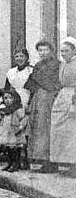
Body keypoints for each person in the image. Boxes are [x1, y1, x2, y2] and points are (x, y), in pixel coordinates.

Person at [25, 39, 60, 173]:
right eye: (40, 50)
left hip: (50, 99)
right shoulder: (38, 66)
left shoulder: (57, 65)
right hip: (38, 99)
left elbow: (57, 82)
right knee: (38, 129)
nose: (43, 52)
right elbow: (31, 82)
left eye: (45, 50)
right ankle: (41, 160)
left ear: (51, 51)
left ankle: (51, 161)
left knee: (48, 129)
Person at [50, 36, 76, 175]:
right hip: (62, 96)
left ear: (74, 51)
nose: (63, 53)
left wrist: (74, 105)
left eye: (66, 51)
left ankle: (72, 165)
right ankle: (63, 164)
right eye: (62, 51)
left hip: (72, 97)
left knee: (71, 133)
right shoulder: (63, 64)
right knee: (60, 132)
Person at [0, 88, 28, 173]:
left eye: (10, 98)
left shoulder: (18, 109)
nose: (8, 100)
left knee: (15, 149)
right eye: (5, 98)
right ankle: (10, 162)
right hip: (6, 132)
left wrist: (20, 127)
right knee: (8, 148)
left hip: (15, 132)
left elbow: (23, 119)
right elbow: (0, 120)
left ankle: (16, 164)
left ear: (15, 98)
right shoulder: (3, 110)